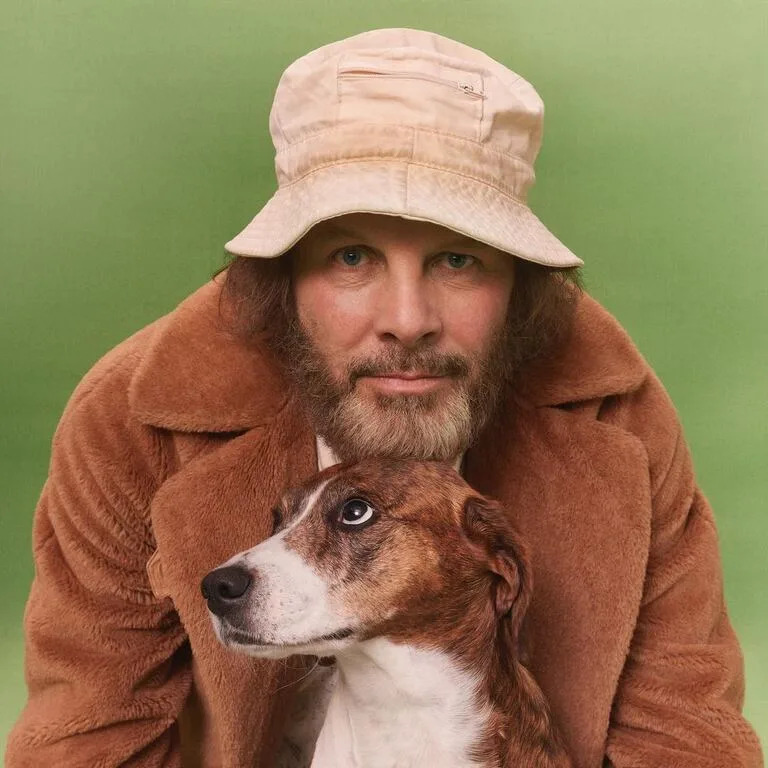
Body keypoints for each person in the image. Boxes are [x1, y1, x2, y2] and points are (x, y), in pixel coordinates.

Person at [6, 27, 762, 768]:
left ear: (522, 292)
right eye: (351, 255)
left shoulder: (618, 416)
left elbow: (684, 733)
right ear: (281, 284)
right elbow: (90, 739)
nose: (407, 322)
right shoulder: (128, 417)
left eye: (459, 259)